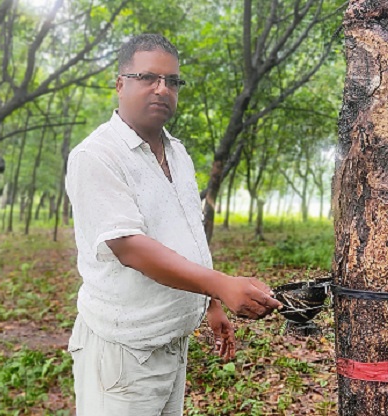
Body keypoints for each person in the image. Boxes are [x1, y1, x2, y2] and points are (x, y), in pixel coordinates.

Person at [65, 34, 282, 415]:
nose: (162, 89)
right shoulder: (96, 156)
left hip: (171, 345)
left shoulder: (177, 152)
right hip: (123, 352)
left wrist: (211, 303)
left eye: (172, 81)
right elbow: (130, 247)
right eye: (148, 77)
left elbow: (188, 232)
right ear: (120, 83)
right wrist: (221, 284)